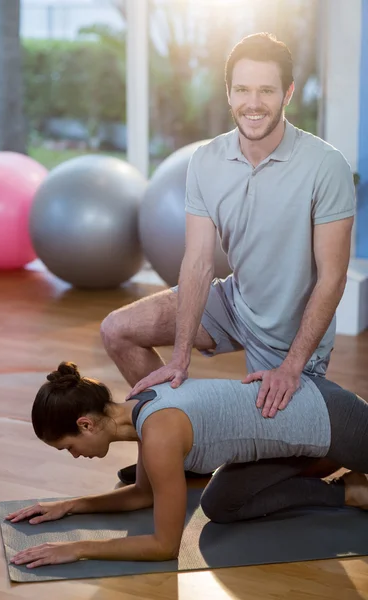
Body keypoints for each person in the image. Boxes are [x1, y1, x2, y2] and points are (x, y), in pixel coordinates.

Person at [100, 32, 356, 485]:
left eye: (266, 90)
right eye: (242, 89)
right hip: (235, 302)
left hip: (289, 335)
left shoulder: (324, 164)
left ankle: (305, 442)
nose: (252, 102)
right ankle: (168, 454)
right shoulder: (206, 160)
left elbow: (333, 278)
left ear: (288, 94)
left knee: (257, 473)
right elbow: (198, 263)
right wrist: (179, 358)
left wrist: (292, 365)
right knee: (118, 330)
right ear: (228, 93)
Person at [8, 362, 368, 569]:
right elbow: (142, 495)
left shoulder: (160, 432)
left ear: (85, 424)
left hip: (334, 418)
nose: (74, 455)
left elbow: (165, 546)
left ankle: (337, 466)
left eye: (69, 446)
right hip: (299, 430)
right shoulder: (139, 408)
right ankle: (349, 492)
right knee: (221, 504)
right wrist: (71, 505)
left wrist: (77, 548)